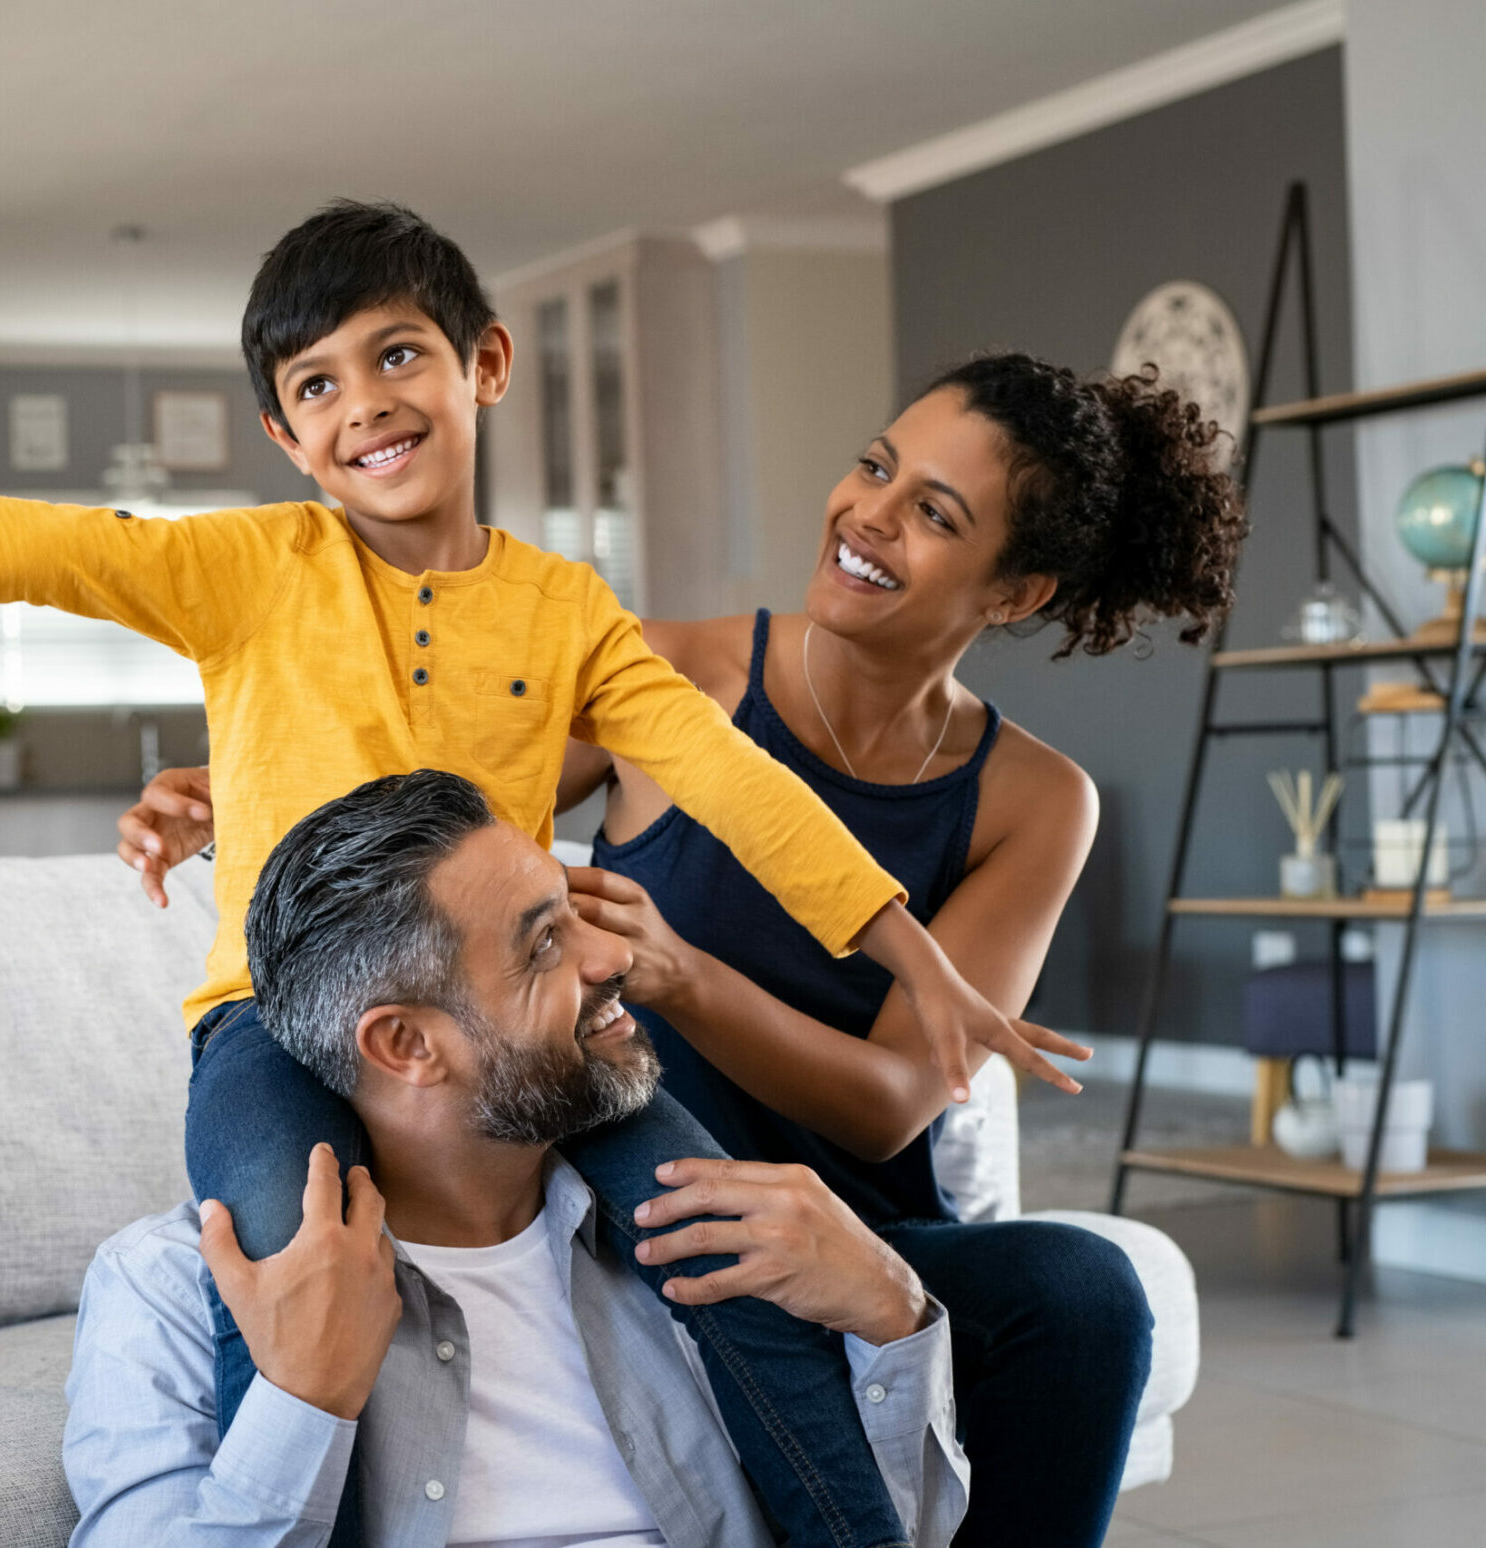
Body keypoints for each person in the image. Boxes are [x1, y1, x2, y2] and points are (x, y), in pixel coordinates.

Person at [0, 202, 1080, 1546]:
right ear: (286, 438)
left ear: (482, 362)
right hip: (271, 1027)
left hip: (512, 1030)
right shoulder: (249, 570)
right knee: (287, 1266)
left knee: (717, 1242)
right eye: (317, 386)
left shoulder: (568, 614)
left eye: (397, 355)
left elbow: (742, 780)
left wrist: (915, 957)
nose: (365, 404)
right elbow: (31, 546)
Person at [119, 352, 1248, 1546]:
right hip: (627, 1213)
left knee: (1082, 1294)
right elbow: (440, 826)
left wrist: (680, 978)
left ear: (1012, 593)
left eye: (932, 513)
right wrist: (232, 800)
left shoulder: (1033, 799)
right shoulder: (669, 672)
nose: (868, 514)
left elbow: (887, 1108)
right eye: (874, 466)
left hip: (841, 1221)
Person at [64, 769, 968, 1546]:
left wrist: (890, 1312)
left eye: (579, 917)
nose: (617, 956)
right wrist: (302, 1400)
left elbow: (885, 1527)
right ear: (408, 1046)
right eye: (546, 945)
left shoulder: (706, 1244)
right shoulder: (170, 1288)